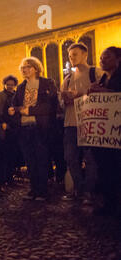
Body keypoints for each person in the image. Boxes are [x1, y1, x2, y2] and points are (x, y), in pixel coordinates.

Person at [61, 43, 103, 204]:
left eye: (75, 55)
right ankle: (79, 189)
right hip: (70, 123)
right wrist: (65, 98)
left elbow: (104, 95)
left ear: (85, 55)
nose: (72, 58)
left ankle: (89, 191)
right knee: (70, 158)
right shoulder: (68, 78)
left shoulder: (95, 73)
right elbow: (62, 103)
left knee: (90, 158)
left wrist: (81, 95)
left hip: (89, 122)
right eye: (70, 56)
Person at [13, 57, 59, 201]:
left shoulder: (47, 83)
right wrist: (13, 110)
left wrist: (30, 111)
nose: (24, 70)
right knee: (30, 160)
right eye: (23, 68)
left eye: (27, 67)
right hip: (24, 128)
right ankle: (33, 189)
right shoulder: (20, 87)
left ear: (36, 68)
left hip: (40, 127)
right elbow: (15, 105)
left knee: (42, 159)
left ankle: (43, 191)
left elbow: (50, 106)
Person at [89, 46, 121, 216]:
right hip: (105, 135)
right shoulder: (102, 79)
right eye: (101, 57)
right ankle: (109, 204)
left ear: (118, 59)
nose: (102, 60)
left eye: (107, 57)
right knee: (105, 168)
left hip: (117, 132)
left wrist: (104, 92)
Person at [0, 75, 21, 187]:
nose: (10, 86)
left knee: (12, 154)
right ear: (4, 84)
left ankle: (10, 178)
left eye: (12, 84)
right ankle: (1, 179)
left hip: (14, 128)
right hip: (3, 128)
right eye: (8, 84)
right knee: (2, 155)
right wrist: (2, 123)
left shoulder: (17, 95)